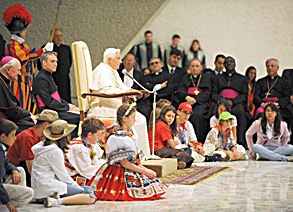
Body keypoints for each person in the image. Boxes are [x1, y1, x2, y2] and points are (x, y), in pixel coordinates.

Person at [88, 104, 167, 200]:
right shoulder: (119, 136)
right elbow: (124, 163)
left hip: (129, 166)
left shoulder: (129, 132)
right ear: (125, 118)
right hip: (120, 170)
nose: (134, 120)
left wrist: (144, 169)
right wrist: (145, 171)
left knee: (155, 184)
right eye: (133, 117)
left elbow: (134, 160)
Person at [89, 48, 150, 158]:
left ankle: (142, 155)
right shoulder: (101, 71)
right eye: (118, 58)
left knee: (141, 119)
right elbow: (105, 91)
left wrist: (130, 91)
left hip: (114, 104)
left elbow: (121, 87)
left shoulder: (112, 71)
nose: (120, 61)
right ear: (109, 60)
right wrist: (125, 93)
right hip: (103, 106)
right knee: (139, 120)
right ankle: (133, 155)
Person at [31, 120, 96, 208]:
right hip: (48, 188)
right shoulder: (54, 151)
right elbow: (63, 176)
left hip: (39, 189)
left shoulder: (43, 146)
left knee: (88, 189)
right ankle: (56, 201)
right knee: (90, 195)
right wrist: (78, 188)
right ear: (65, 136)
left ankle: (55, 199)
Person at [3, 4, 53, 112]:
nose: (25, 32)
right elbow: (24, 58)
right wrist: (42, 50)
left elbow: (29, 55)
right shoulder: (11, 46)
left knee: (27, 108)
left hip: (26, 81)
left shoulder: (24, 46)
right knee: (19, 106)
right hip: (16, 81)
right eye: (23, 30)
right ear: (18, 32)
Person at [6, 109, 59, 187]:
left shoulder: (40, 136)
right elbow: (31, 170)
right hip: (15, 171)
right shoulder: (27, 137)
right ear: (46, 125)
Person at [32, 51, 80, 138]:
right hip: (49, 112)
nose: (55, 64)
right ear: (44, 62)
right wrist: (67, 107)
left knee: (82, 114)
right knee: (80, 117)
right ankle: (68, 142)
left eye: (56, 61)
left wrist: (69, 105)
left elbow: (56, 97)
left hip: (55, 109)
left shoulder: (48, 76)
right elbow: (48, 102)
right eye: (52, 61)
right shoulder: (41, 79)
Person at [212, 56, 249, 148]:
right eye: (227, 62)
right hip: (221, 102)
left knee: (240, 111)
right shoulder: (218, 78)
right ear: (224, 65)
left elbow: (244, 95)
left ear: (235, 64)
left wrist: (232, 101)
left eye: (231, 62)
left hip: (235, 103)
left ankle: (239, 140)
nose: (229, 64)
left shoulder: (242, 78)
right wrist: (223, 101)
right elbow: (214, 94)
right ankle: (216, 139)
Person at [0, 118, 34, 212]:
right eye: (13, 135)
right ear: (3, 137)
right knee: (29, 193)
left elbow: (6, 163)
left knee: (20, 170)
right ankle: (5, 206)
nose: (15, 138)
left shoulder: (1, 149)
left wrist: (14, 170)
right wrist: (8, 203)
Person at [177, 59, 211, 142]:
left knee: (197, 115)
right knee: (183, 113)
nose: (195, 68)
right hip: (187, 102)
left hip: (200, 103)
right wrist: (186, 97)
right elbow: (180, 92)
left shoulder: (206, 78)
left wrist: (195, 99)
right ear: (189, 68)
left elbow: (207, 93)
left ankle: (197, 141)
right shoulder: (185, 78)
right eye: (192, 66)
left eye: (197, 66)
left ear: (201, 68)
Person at [254, 58, 291, 133]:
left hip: (278, 106)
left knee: (280, 115)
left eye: (272, 66)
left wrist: (276, 104)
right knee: (261, 115)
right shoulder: (260, 81)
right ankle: (262, 138)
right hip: (264, 106)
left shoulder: (284, 82)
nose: (270, 68)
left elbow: (286, 97)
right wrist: (262, 104)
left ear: (277, 68)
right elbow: (256, 96)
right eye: (268, 66)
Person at [66, 116, 106, 181]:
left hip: (84, 173)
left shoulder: (93, 144)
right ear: (89, 135)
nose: (100, 138)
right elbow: (86, 170)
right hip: (72, 177)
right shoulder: (78, 147)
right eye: (98, 135)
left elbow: (97, 159)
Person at [0, 56, 35, 132]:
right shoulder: (1, 83)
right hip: (3, 121)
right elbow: (11, 110)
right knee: (33, 128)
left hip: (8, 117)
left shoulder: (4, 81)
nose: (19, 74)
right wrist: (28, 114)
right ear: (8, 69)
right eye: (18, 70)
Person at [37, 29, 72, 103]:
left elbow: (69, 62)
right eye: (56, 36)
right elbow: (40, 64)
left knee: (65, 99)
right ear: (52, 37)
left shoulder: (66, 49)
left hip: (64, 79)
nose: (59, 38)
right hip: (52, 79)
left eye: (60, 36)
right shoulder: (47, 48)